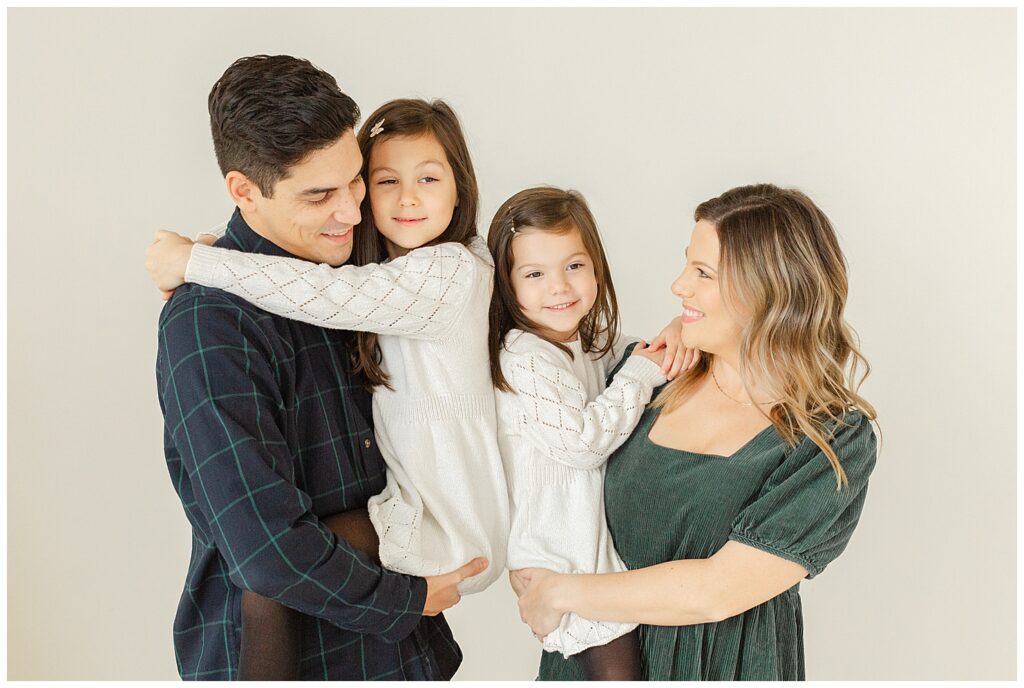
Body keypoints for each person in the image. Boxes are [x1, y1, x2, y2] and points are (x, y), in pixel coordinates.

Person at [152, 55, 484, 681]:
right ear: (244, 191)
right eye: (319, 194)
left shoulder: (356, 270)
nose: (353, 212)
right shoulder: (210, 327)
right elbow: (266, 546)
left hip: (401, 655)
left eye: (357, 181)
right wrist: (407, 601)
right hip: (303, 659)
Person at [511, 183, 878, 681]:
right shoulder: (641, 380)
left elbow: (716, 592)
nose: (678, 286)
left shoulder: (831, 439)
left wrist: (558, 592)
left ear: (766, 290)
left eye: (702, 273)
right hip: (593, 661)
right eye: (688, 264)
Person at [486, 187, 697, 680]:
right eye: (534, 274)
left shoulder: (574, 341)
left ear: (596, 267)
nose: (559, 287)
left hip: (584, 551)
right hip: (560, 558)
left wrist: (676, 330)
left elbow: (634, 354)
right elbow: (584, 444)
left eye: (574, 266)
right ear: (507, 284)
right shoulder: (524, 357)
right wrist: (641, 373)